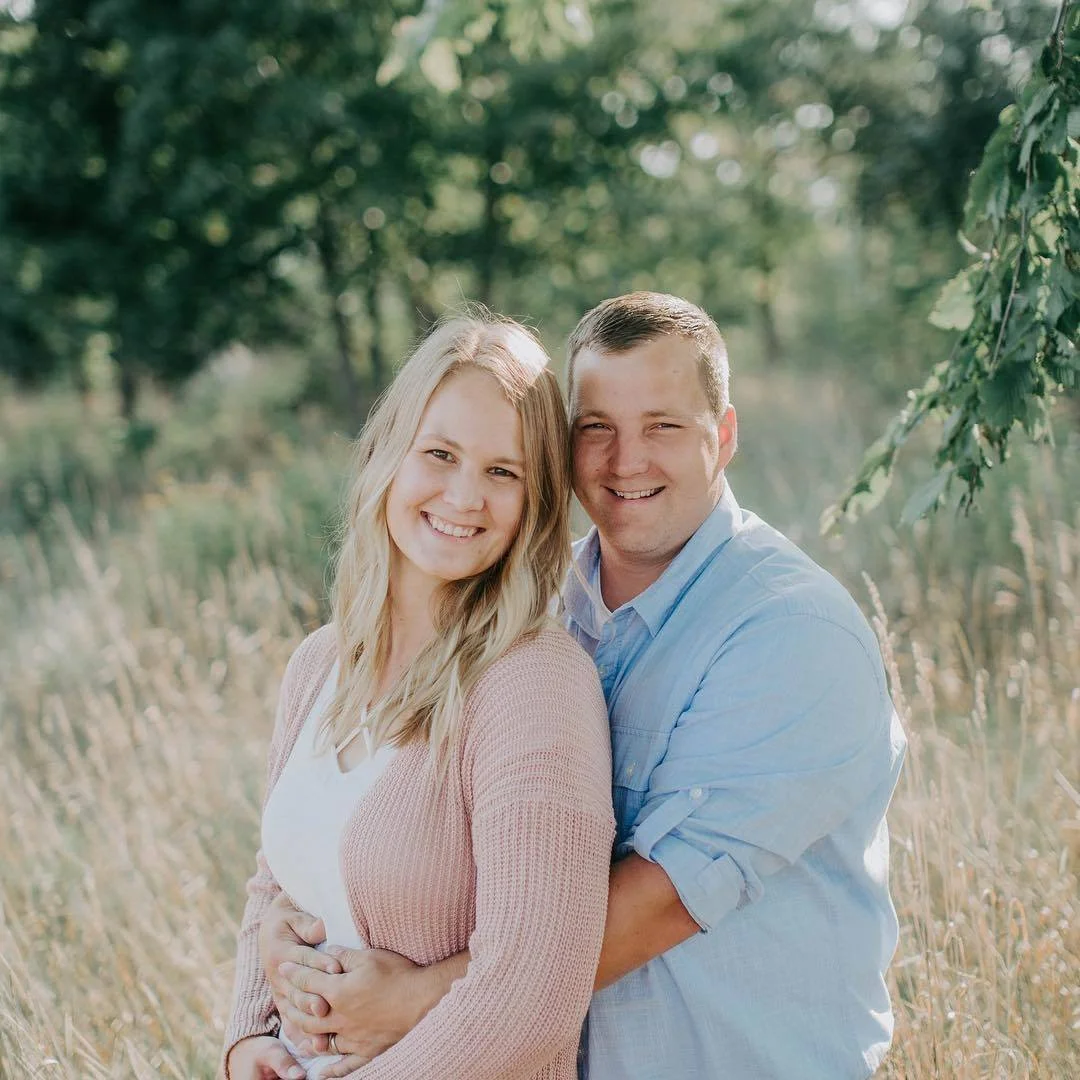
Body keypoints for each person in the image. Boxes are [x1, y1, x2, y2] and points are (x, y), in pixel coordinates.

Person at [263, 293, 908, 1079]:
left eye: (662, 426)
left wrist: (419, 997)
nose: (624, 459)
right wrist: (280, 959)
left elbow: (664, 899)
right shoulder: (531, 613)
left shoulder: (792, 634)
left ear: (724, 435)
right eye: (595, 428)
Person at [221, 315, 615, 1080]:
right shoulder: (319, 664)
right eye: (440, 454)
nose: (464, 497)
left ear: (535, 501)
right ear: (387, 453)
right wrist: (247, 1044)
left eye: (504, 472)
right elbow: (271, 886)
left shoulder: (533, 684)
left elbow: (532, 997)